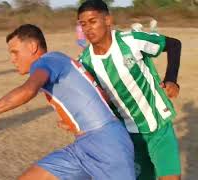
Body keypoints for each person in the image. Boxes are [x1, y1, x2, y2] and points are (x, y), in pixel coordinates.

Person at [0, 24, 135, 180]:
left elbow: (28, 90)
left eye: (15, 52)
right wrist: (74, 120)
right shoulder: (57, 60)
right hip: (83, 146)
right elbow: (102, 96)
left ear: (33, 47)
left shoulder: (46, 61)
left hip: (107, 146)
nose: (12, 59)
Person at [77, 1, 182, 180]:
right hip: (129, 135)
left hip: (158, 124)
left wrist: (171, 79)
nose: (88, 28)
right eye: (83, 24)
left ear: (108, 20)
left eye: (93, 21)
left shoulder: (132, 41)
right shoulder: (85, 62)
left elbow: (173, 45)